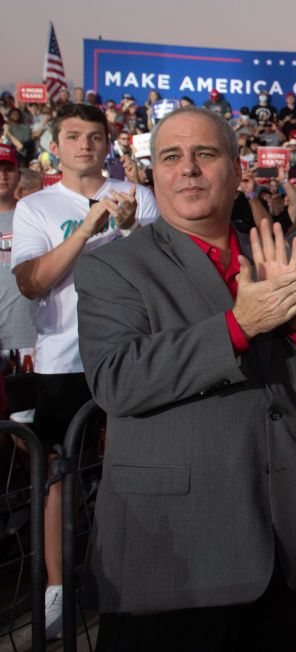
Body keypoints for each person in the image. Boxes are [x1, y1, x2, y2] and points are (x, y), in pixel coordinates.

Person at [75, 105, 296, 651]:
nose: (188, 168)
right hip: (177, 554)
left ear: (236, 170)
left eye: (205, 154)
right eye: (171, 157)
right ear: (150, 173)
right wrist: (237, 326)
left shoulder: (282, 252)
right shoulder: (114, 265)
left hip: (289, 542)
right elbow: (116, 379)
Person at [12, 103, 159, 639]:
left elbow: (163, 273)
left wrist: (127, 232)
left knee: (136, 468)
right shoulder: (36, 206)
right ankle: (56, 590)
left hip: (133, 352)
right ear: (56, 144)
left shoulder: (141, 198)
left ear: (107, 142)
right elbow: (33, 283)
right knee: (58, 476)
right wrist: (89, 227)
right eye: (73, 136)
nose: (84, 146)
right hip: (62, 359)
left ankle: (132, 575)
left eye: (94, 136)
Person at [0, 146, 35, 357]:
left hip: (32, 338)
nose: (2, 177)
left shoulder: (36, 214)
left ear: (19, 174)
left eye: (8, 169)